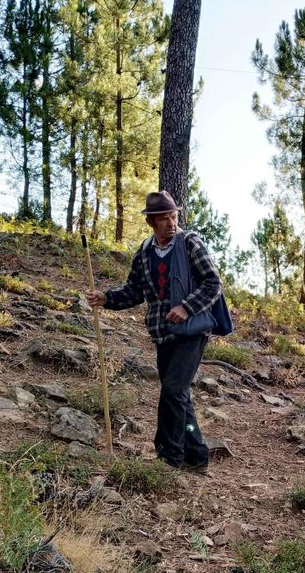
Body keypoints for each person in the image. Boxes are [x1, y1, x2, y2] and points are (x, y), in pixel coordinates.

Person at [85, 190, 221, 473]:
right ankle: (196, 457)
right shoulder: (145, 252)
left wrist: (186, 306)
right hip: (162, 333)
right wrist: (107, 298)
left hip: (192, 331)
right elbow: (135, 291)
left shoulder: (190, 243)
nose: (171, 223)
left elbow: (212, 283)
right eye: (164, 219)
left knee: (173, 390)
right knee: (178, 395)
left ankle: (168, 458)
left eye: (173, 216)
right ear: (152, 223)